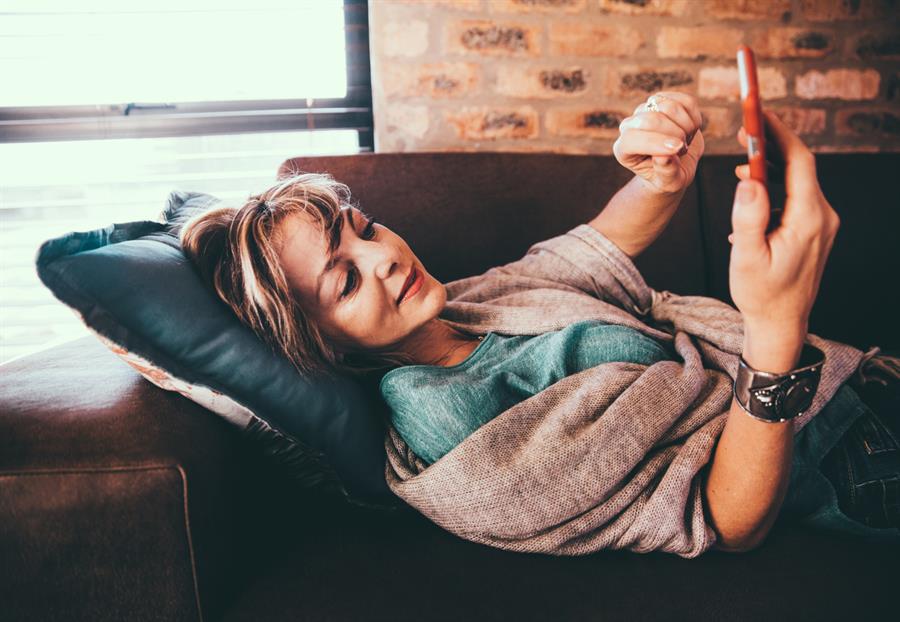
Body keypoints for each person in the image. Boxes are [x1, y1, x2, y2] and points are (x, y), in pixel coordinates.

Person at [180, 92, 899, 553]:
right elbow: (729, 518)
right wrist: (772, 336)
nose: (385, 259)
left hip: (861, 376)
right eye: (344, 279)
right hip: (845, 454)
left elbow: (595, 247)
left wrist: (659, 171)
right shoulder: (450, 439)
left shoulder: (464, 303)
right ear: (317, 343)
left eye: (363, 228)